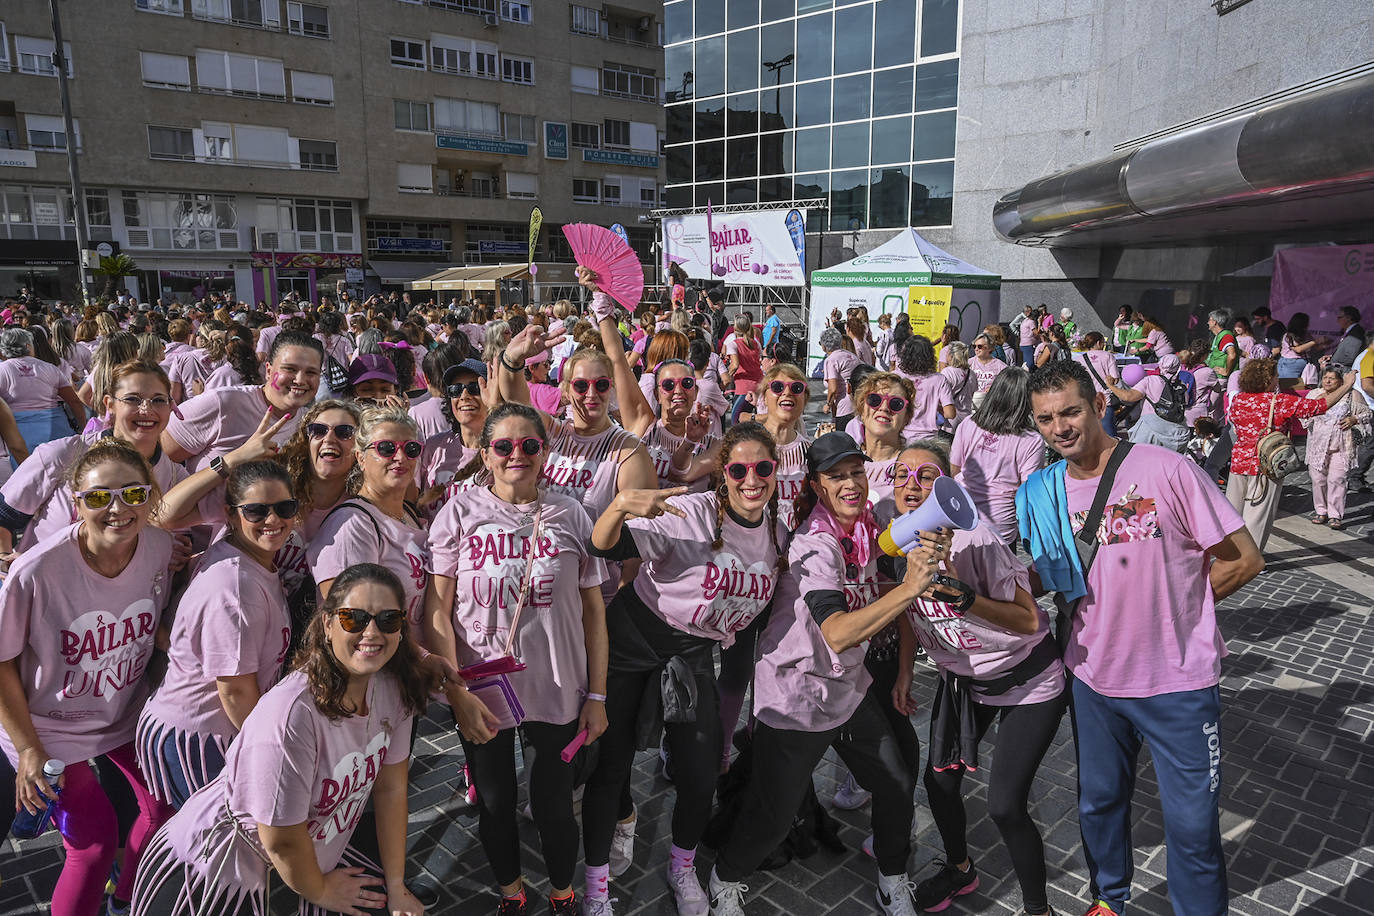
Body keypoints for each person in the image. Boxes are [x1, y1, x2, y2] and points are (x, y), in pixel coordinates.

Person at [1017, 359, 1263, 916]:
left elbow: (1243, 559)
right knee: (1099, 805)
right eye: (1045, 419)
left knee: (1193, 830)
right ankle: (1108, 900)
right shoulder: (1041, 490)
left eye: (1070, 412)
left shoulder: (1167, 470)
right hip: (1092, 679)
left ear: (1099, 405)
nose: (1059, 428)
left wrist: (1178, 611)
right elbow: (1049, 574)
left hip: (1178, 684)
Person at [706, 432, 950, 916]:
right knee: (774, 817)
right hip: (797, 695)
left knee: (895, 782)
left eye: (856, 472)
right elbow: (837, 633)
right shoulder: (814, 544)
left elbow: (894, 554)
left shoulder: (867, 525)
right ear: (817, 486)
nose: (851, 483)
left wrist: (932, 544)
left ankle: (892, 879)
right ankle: (724, 880)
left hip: (848, 689)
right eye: (836, 476)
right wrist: (910, 589)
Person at [130, 564, 433, 916]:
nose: (372, 632)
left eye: (388, 620)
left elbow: (391, 789)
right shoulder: (291, 717)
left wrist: (396, 887)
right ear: (328, 623)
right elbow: (281, 840)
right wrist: (321, 891)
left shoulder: (393, 689)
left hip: (295, 866)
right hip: (217, 875)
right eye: (354, 619)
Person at [585, 423, 790, 916]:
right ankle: (596, 884)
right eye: (738, 470)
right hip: (633, 641)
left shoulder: (778, 533)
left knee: (700, 775)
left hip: (693, 654)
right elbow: (604, 546)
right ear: (723, 473)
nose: (751, 480)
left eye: (762, 468)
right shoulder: (692, 512)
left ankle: (682, 867)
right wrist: (619, 506)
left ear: (776, 471)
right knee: (610, 767)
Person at [425, 403, 609, 916]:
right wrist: (454, 691)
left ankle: (562, 894)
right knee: (496, 801)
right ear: (485, 454)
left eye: (529, 445)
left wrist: (598, 695)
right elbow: (437, 609)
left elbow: (594, 613)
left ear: (544, 452)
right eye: (503, 446)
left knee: (554, 805)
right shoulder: (458, 513)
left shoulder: (571, 513)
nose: (516, 455)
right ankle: (511, 894)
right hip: (481, 687)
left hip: (557, 684)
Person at [0, 439, 176, 916]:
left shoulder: (160, 548)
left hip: (122, 713)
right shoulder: (37, 570)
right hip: (47, 725)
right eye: (99, 497)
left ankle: (125, 901)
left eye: (133, 494)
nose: (118, 509)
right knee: (94, 844)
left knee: (164, 808)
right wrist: (30, 749)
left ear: (150, 495)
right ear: (76, 502)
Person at [895, 440, 1066, 916]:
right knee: (939, 784)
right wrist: (905, 671)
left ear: (946, 487)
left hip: (1028, 681)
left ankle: (1038, 909)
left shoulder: (978, 540)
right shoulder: (896, 538)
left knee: (1005, 805)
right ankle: (960, 869)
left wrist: (965, 597)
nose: (912, 486)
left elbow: (1028, 620)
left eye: (926, 476)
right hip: (964, 682)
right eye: (901, 476)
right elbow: (907, 610)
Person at [135, 461, 297, 808]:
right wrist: (270, 751)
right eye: (256, 511)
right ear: (231, 514)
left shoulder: (247, 559)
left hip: (206, 729)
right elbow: (235, 690)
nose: (272, 519)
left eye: (285, 508)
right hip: (199, 741)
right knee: (214, 837)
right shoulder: (235, 588)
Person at [0, 359, 188, 557]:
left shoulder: (177, 480)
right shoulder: (62, 455)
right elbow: (4, 518)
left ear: (170, 406)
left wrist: (174, 555)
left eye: (158, 400)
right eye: (133, 399)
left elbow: (185, 545)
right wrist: (5, 558)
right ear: (110, 404)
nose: (146, 409)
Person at [308, 406, 430, 631]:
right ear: (361, 458)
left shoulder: (410, 514)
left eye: (411, 449)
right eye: (386, 448)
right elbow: (354, 624)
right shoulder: (352, 524)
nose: (400, 457)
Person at [1224, 358, 1356, 551]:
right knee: (1257, 517)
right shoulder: (1278, 401)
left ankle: (1230, 552)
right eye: (1276, 376)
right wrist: (1346, 385)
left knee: (1233, 513)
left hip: (1238, 463)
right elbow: (1317, 407)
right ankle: (1250, 558)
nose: (1277, 379)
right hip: (1265, 465)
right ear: (1268, 379)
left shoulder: (1239, 399)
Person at [162, 330, 323, 472]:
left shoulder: (311, 425)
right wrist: (233, 460)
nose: (300, 380)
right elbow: (156, 458)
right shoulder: (223, 403)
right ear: (268, 370)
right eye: (290, 369)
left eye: (311, 372)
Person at [949, 369, 1046, 546]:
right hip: (999, 524)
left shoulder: (968, 424)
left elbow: (954, 469)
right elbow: (1027, 491)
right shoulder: (1032, 440)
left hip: (960, 512)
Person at [1302, 365, 1370, 530]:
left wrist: (1354, 419)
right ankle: (1321, 510)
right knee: (1318, 479)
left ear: (1341, 381)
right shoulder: (1315, 394)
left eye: (1332, 378)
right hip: (1317, 446)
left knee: (1337, 480)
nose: (1327, 381)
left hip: (1342, 446)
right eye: (1325, 378)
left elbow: (1367, 413)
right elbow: (1303, 414)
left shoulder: (1352, 395)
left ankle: (1335, 515)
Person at [0, 327, 85, 452]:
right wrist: (83, 427)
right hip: (56, 435)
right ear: (28, 346)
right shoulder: (50, 368)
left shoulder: (2, 370)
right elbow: (74, 401)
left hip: (18, 438)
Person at [1107, 353, 1192, 453]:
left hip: (1150, 430)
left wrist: (1111, 386)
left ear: (1161, 364)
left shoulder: (1151, 380)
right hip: (1176, 433)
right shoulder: (1182, 386)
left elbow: (1128, 397)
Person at [894, 336, 955, 441]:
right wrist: (935, 406)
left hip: (900, 435)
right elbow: (950, 413)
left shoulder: (896, 377)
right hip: (928, 438)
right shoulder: (939, 379)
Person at [821, 327, 860, 424]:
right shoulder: (851, 356)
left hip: (844, 405)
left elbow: (833, 388)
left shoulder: (831, 360)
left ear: (824, 345)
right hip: (857, 402)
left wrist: (828, 404)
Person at [969, 334, 1009, 408]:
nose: (976, 349)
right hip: (972, 404)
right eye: (974, 346)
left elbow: (1009, 384)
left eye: (980, 346)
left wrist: (995, 388)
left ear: (990, 348)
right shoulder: (969, 363)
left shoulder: (1000, 366)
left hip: (991, 404)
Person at [1329, 305, 1367, 371]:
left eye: (1339, 317)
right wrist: (1330, 358)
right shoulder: (1351, 332)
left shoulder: (1356, 333)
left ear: (1348, 318)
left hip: (1346, 372)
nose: (1337, 320)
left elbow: (1350, 357)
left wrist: (1330, 363)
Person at [1203, 309, 1239, 378]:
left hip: (1222, 378)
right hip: (1216, 376)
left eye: (1209, 320)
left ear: (1215, 322)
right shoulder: (1219, 336)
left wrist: (1226, 371)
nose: (1208, 323)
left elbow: (1232, 356)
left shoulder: (1226, 336)